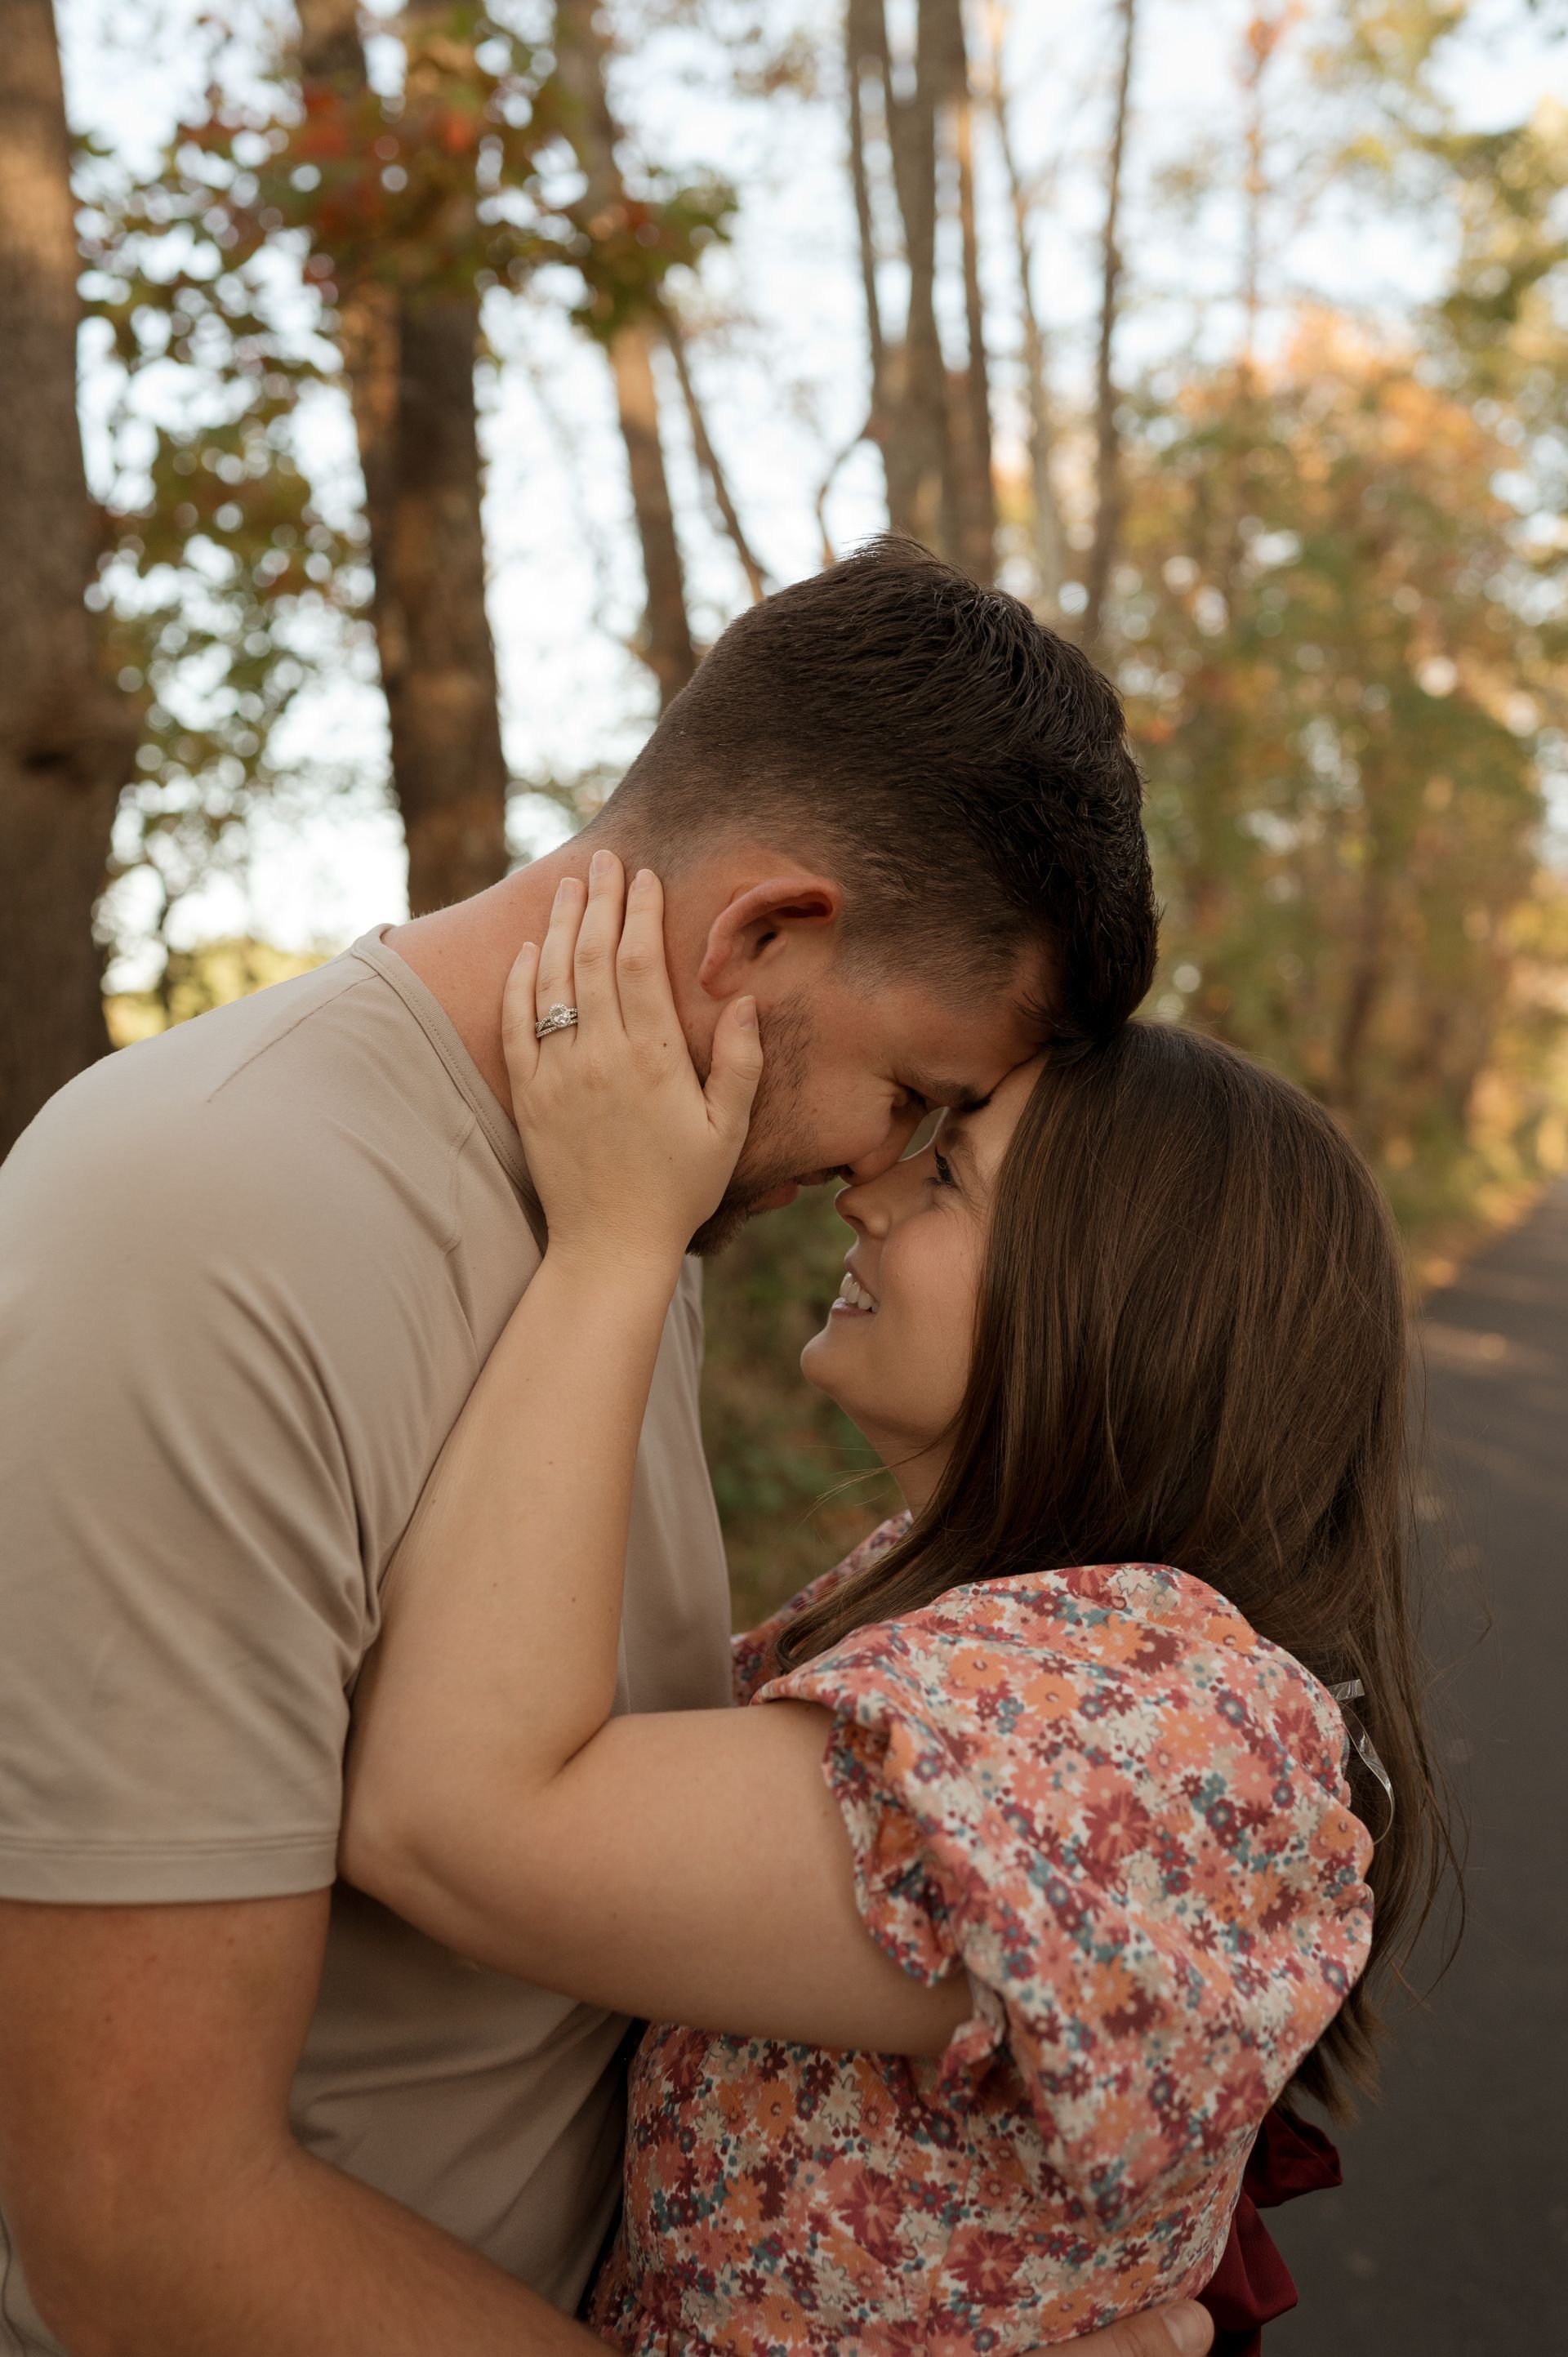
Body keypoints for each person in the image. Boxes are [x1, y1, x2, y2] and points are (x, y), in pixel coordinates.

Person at [0, 541, 1216, 2356]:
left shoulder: (633, 1198)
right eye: (917, 1096)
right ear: (762, 939)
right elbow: (141, 2225)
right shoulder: (197, 1226)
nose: (881, 1176)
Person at [341, 853, 1450, 2352]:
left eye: (948, 1174)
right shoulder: (980, 1624)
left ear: (1112, 1310)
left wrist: (616, 1237)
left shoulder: (1153, 1722)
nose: (865, 1190)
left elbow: (457, 1820)